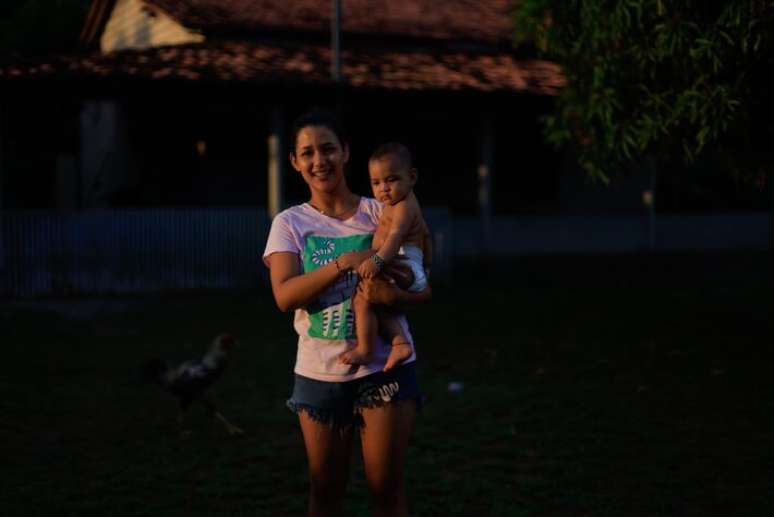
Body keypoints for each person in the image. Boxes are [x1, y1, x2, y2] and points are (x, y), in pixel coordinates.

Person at [262, 109, 430, 517]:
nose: (319, 160)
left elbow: (423, 287)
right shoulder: (290, 223)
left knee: (386, 489)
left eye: (328, 149)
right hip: (321, 376)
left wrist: (390, 295)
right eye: (307, 153)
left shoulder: (383, 210)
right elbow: (285, 297)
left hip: (383, 372)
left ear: (346, 153)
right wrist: (345, 262)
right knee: (326, 491)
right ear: (295, 163)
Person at [339, 142, 431, 371]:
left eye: (391, 180)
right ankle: (399, 342)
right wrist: (427, 266)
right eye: (376, 182)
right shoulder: (394, 204)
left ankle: (365, 350)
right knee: (372, 300)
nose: (384, 189)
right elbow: (427, 237)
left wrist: (377, 260)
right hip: (408, 264)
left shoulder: (404, 206)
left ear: (412, 177)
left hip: (401, 261)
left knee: (362, 299)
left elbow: (395, 238)